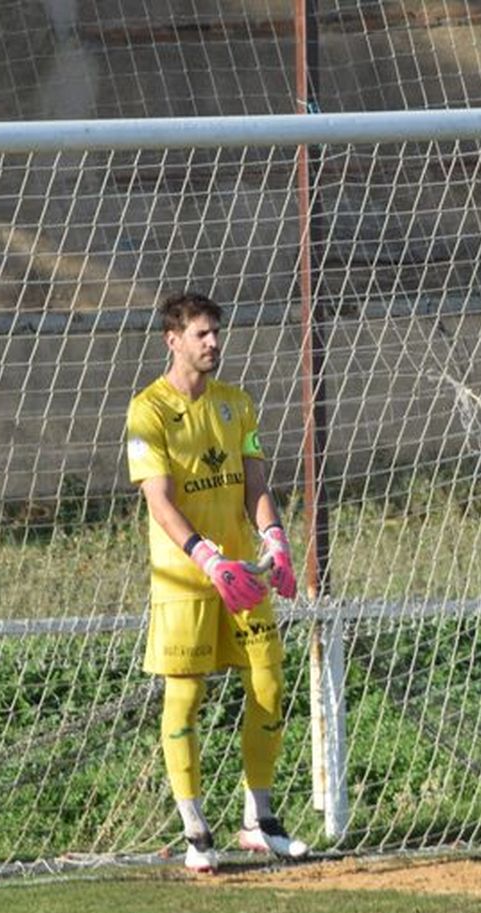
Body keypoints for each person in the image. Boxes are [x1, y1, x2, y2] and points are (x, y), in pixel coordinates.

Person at [124, 291, 310, 873]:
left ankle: (259, 819)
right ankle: (194, 827)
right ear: (172, 340)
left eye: (216, 333)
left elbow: (255, 481)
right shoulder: (147, 411)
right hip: (187, 579)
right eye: (201, 334)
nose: (213, 343)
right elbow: (159, 500)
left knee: (270, 686)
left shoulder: (238, 404)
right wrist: (206, 558)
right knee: (185, 699)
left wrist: (275, 539)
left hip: (242, 576)